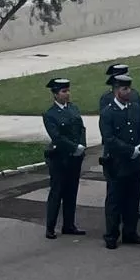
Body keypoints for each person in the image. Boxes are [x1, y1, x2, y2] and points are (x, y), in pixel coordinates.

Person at [97, 74, 140, 249]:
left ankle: (130, 232)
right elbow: (109, 138)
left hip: (135, 161)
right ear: (116, 90)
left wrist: (139, 148)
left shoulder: (134, 108)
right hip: (117, 163)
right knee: (115, 200)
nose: (128, 92)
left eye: (129, 88)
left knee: (133, 199)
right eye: (124, 89)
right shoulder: (108, 112)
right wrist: (129, 150)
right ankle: (111, 234)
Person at [41, 77, 87, 240]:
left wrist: (82, 146)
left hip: (75, 158)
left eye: (68, 90)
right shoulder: (50, 114)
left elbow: (81, 128)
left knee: (71, 192)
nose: (67, 94)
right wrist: (74, 147)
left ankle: (69, 224)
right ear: (55, 94)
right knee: (57, 192)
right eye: (63, 91)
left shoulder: (73, 109)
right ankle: (50, 227)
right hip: (60, 159)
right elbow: (57, 137)